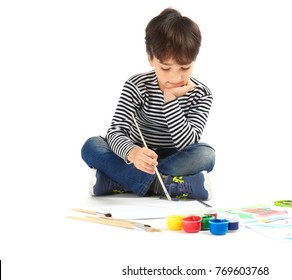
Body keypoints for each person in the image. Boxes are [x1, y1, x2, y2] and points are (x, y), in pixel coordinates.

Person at [81, 8, 215, 201]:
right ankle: (165, 185)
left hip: (174, 157)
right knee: (91, 145)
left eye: (185, 67)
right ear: (151, 58)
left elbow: (186, 143)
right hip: (136, 156)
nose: (175, 77)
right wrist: (133, 154)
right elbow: (115, 132)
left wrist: (170, 99)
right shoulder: (137, 85)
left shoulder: (201, 93)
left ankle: (120, 181)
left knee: (206, 155)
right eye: (166, 68)